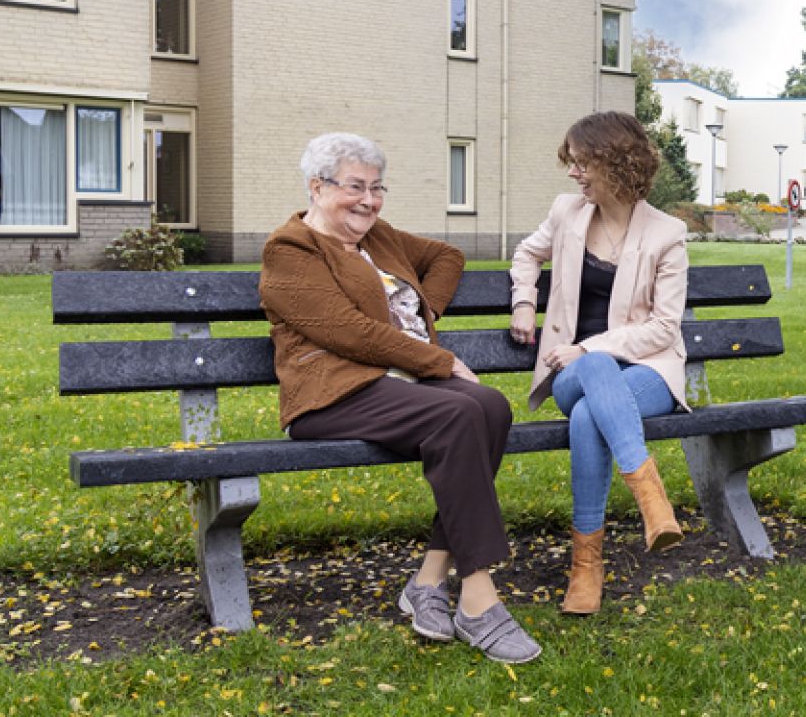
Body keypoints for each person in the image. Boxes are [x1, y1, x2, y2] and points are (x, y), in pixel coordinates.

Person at [258, 132, 539, 664]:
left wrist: (417, 318)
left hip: (398, 383)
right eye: (355, 187)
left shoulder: (378, 237)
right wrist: (438, 358)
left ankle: (429, 580)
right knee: (460, 411)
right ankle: (478, 600)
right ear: (317, 188)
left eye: (377, 187)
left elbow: (447, 256)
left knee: (491, 407)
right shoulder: (290, 251)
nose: (369, 200)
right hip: (332, 393)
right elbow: (347, 332)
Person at [511, 111, 689, 616]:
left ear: (616, 163)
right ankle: (651, 499)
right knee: (591, 379)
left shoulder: (666, 234)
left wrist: (591, 348)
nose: (573, 173)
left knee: (592, 413)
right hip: (571, 372)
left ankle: (586, 566)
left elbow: (664, 327)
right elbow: (527, 255)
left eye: (582, 162)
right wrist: (525, 301)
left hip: (648, 371)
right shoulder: (567, 212)